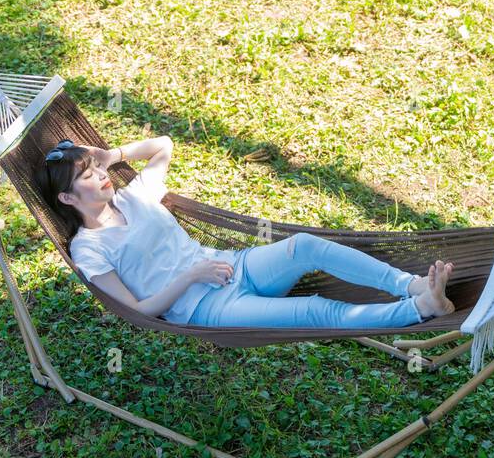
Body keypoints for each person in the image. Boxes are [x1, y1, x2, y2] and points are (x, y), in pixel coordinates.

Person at [35, 135, 454, 330]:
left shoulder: (134, 195)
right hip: (204, 308)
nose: (100, 177)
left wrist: (112, 154)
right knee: (315, 311)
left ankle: (412, 284)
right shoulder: (88, 249)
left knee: (303, 246)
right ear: (68, 200)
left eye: (96, 169)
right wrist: (190, 277)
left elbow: (163, 145)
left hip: (235, 267)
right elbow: (137, 310)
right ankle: (420, 311)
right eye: (87, 178)